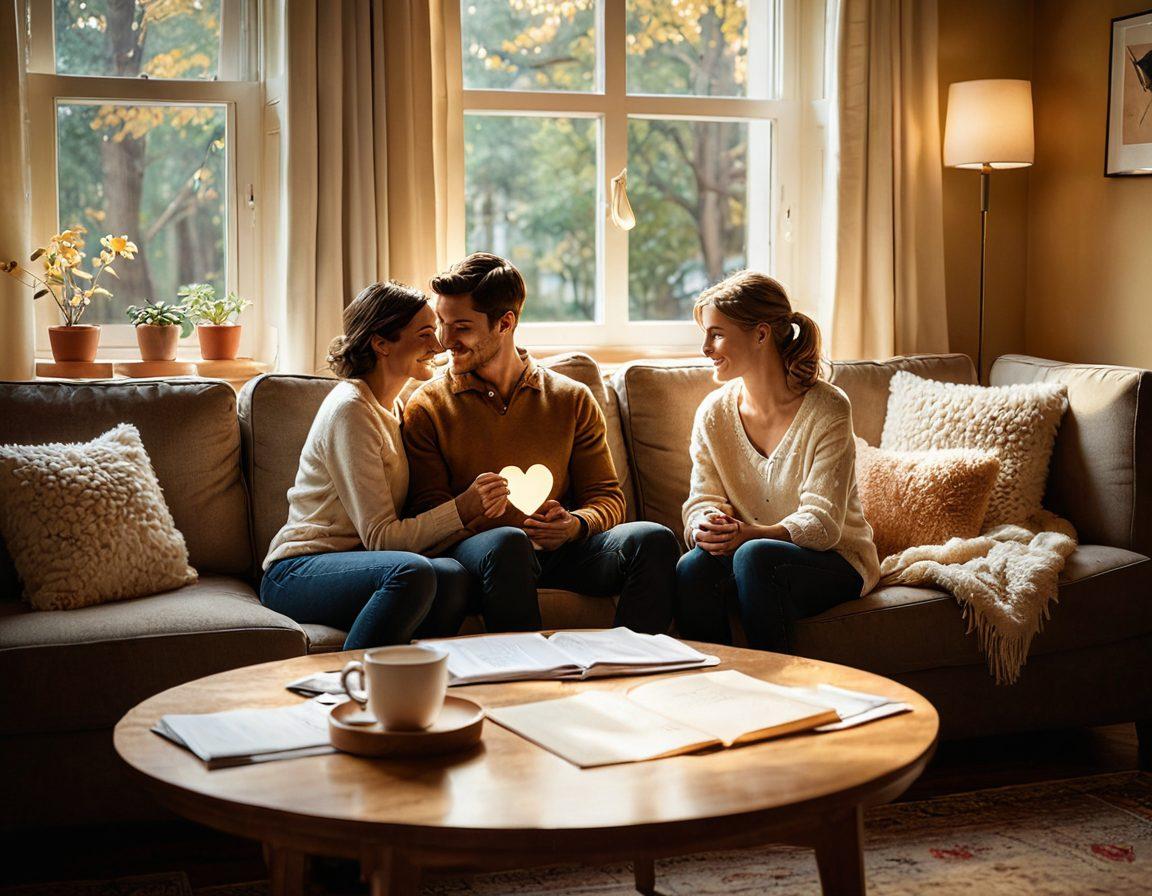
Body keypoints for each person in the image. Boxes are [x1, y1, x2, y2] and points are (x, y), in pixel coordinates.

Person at [402, 252, 679, 634]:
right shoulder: (426, 406)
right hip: (483, 555)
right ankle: (525, 678)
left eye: (461, 327)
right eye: (441, 324)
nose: (445, 341)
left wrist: (575, 524)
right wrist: (476, 512)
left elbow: (608, 497)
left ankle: (627, 664)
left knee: (653, 539)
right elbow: (427, 512)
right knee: (509, 544)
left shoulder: (571, 398)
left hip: (562, 552)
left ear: (505, 322)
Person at [260, 281, 510, 649]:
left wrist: (474, 513)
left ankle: (420, 684)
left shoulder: (392, 407)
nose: (438, 346)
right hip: (298, 571)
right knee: (411, 573)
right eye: (425, 334)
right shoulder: (351, 410)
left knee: (453, 576)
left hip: (359, 566)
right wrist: (461, 509)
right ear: (381, 343)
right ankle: (354, 687)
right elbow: (381, 538)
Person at [675, 271, 880, 651]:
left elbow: (822, 525)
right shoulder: (713, 414)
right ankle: (710, 690)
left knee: (756, 557)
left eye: (716, 333)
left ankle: (781, 694)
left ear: (761, 334)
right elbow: (700, 500)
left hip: (835, 560)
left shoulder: (828, 407)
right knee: (693, 567)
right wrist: (705, 525)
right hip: (751, 556)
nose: (705, 347)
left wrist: (752, 535)